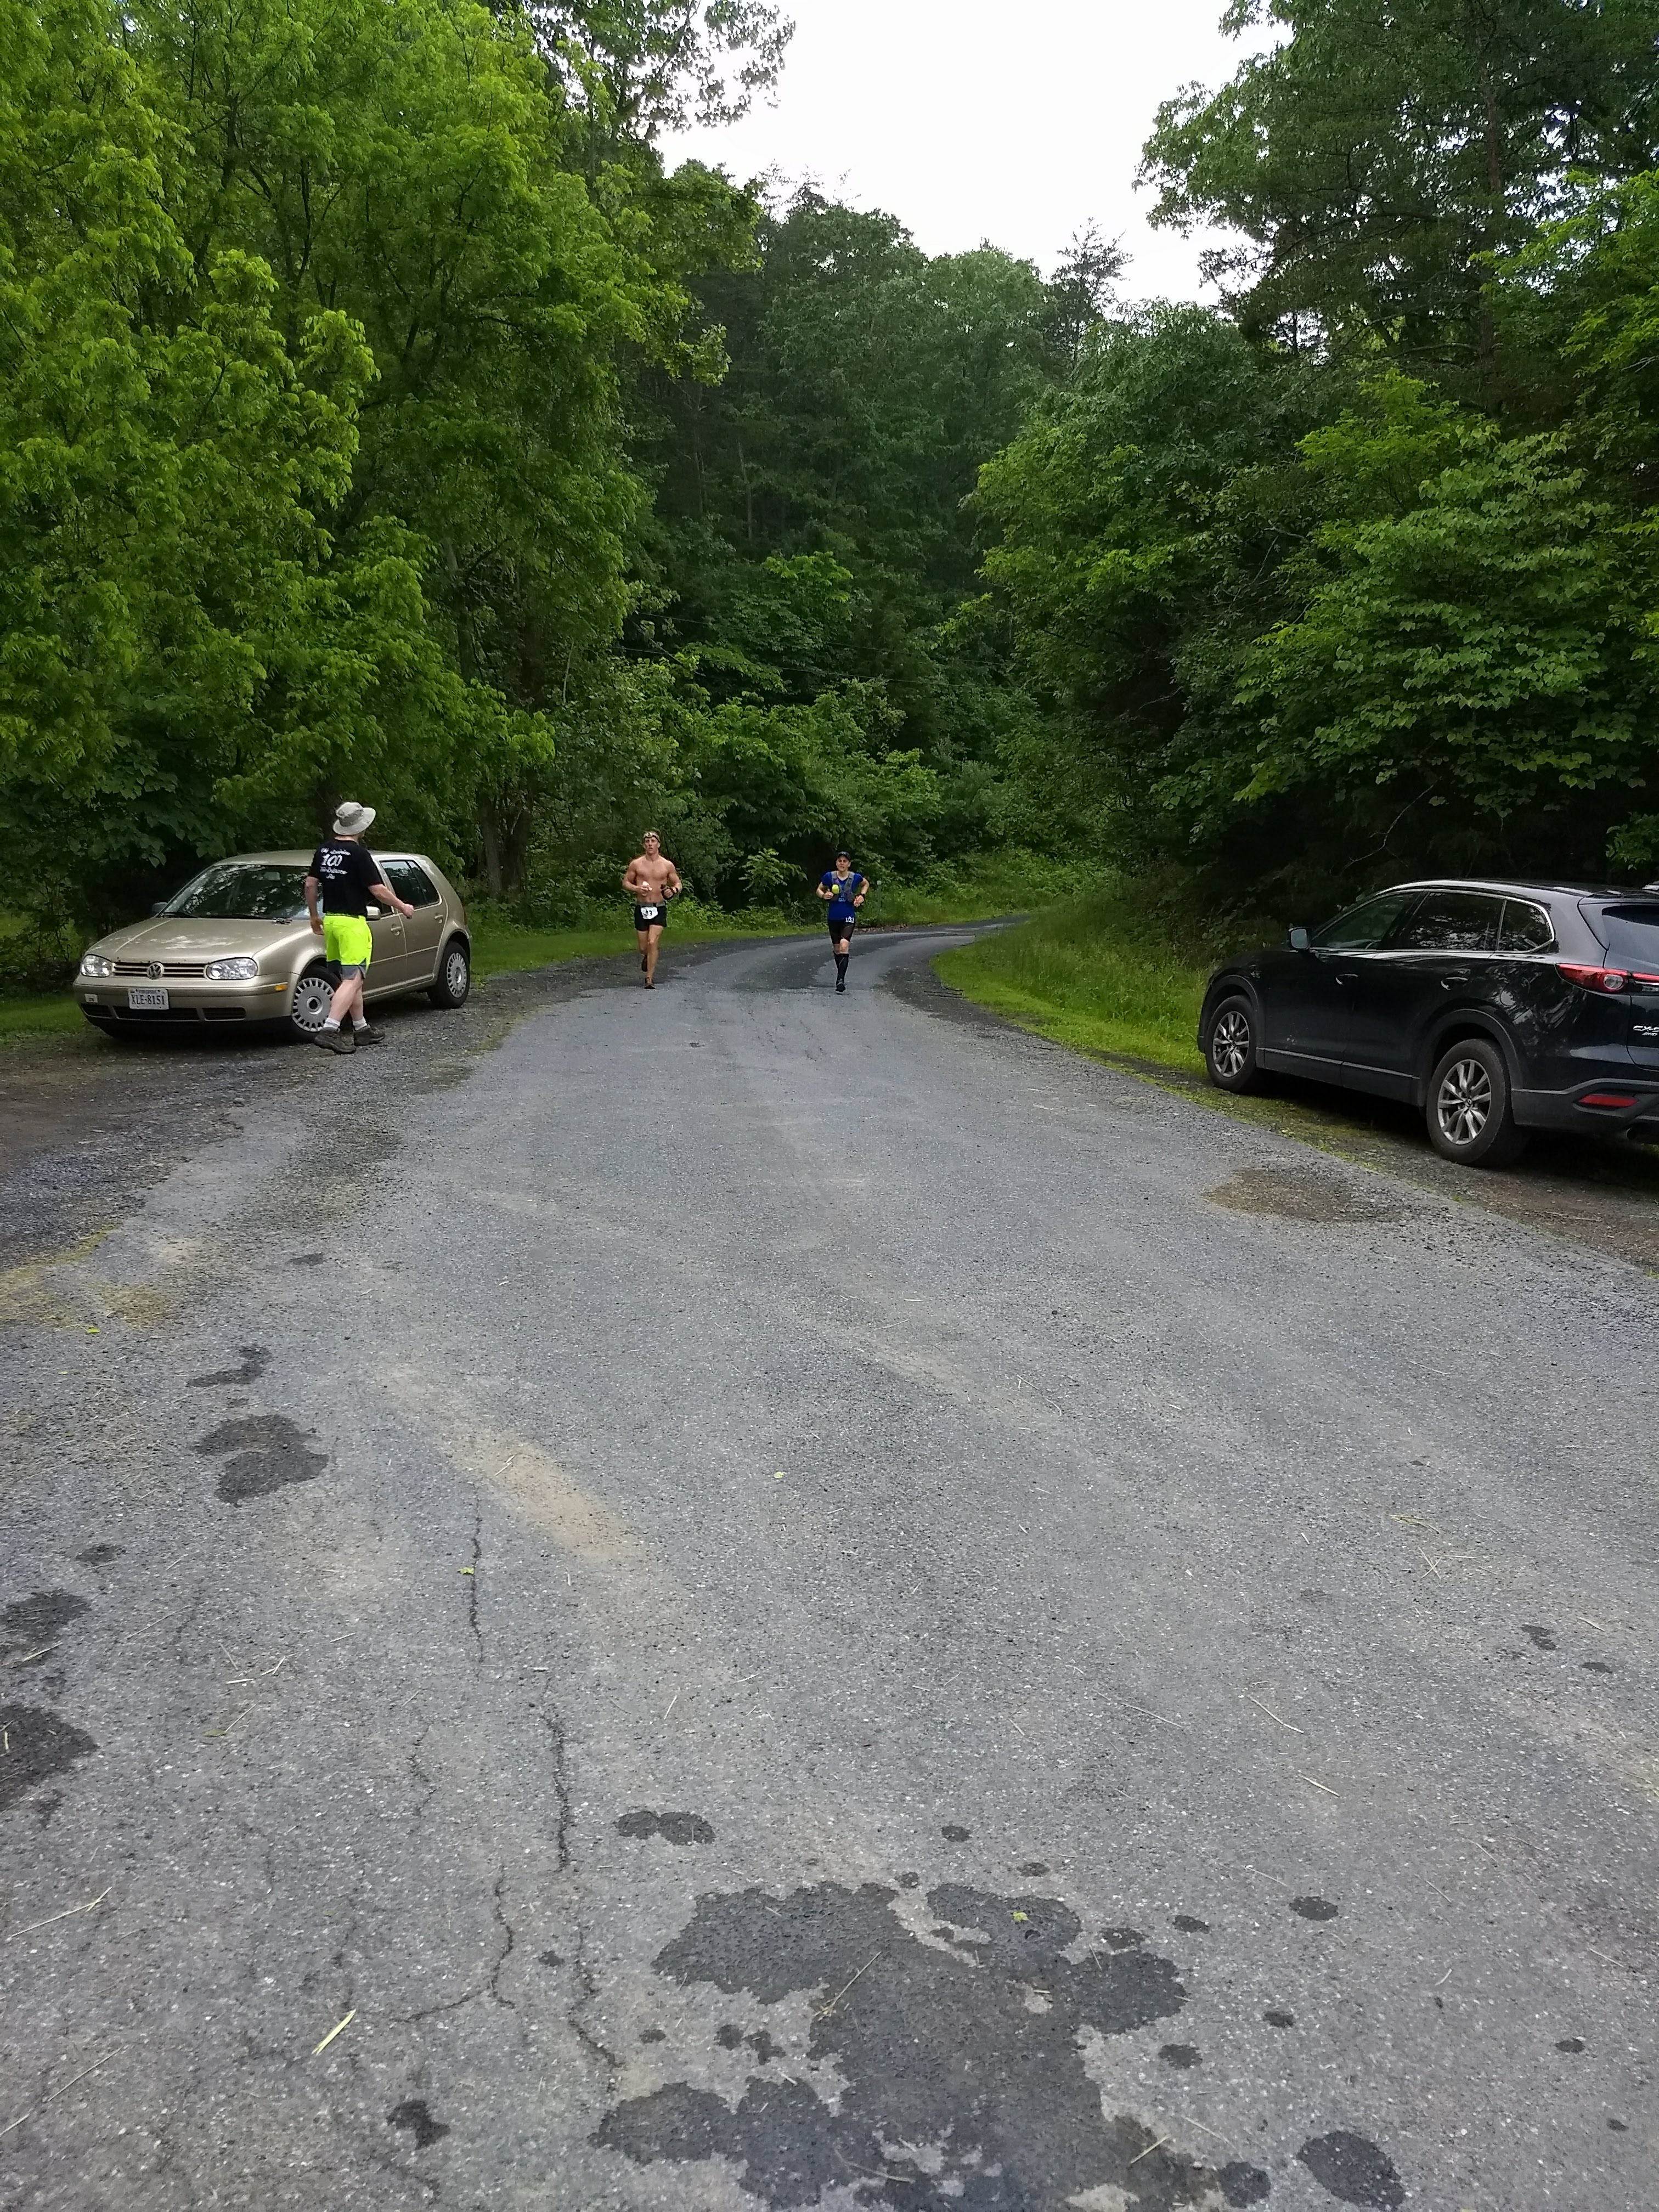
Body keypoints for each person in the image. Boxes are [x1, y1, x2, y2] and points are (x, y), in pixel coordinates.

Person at [303, 802, 414, 1053]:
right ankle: (330, 1029)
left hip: (331, 921)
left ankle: (361, 1029)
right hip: (353, 923)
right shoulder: (359, 854)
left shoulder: (324, 850)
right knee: (354, 979)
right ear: (360, 827)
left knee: (348, 979)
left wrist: (313, 916)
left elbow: (310, 885)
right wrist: (402, 906)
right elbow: (377, 890)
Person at [621, 831, 681, 989]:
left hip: (658, 908)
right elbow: (626, 882)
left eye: (653, 841)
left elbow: (678, 884)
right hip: (642, 908)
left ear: (658, 844)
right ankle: (648, 956)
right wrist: (637, 889)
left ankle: (649, 978)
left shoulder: (667, 865)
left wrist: (672, 891)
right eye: (647, 841)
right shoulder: (637, 864)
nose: (650, 844)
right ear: (643, 845)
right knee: (643, 948)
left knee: (652, 941)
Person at [816, 850, 867, 991]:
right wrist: (824, 895)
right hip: (833, 917)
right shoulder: (830, 877)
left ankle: (841, 979)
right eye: (840, 861)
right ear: (837, 863)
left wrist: (862, 896)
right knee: (837, 949)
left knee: (845, 946)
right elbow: (819, 890)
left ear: (849, 864)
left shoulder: (855, 877)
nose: (842, 864)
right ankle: (840, 975)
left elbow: (865, 884)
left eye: (845, 861)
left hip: (848, 916)